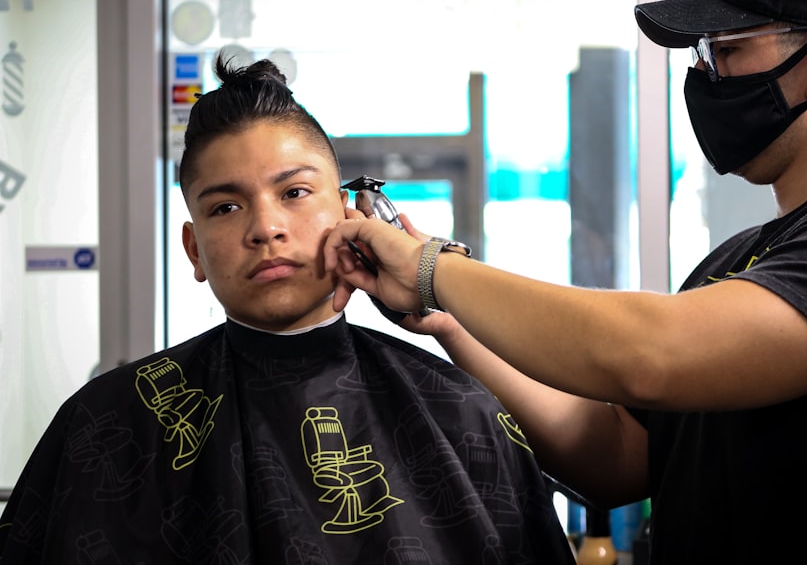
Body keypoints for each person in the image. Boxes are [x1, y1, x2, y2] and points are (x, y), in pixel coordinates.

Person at [325, 0, 807, 563]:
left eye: (725, 48)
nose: (705, 72)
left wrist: (435, 268)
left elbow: (649, 352)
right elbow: (613, 454)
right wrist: (446, 319)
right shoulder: (737, 264)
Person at [0, 57, 575, 563]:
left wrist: (441, 300)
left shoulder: (461, 413)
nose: (266, 228)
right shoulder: (105, 428)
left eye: (295, 193)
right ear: (195, 249)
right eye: (225, 206)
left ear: (350, 214)